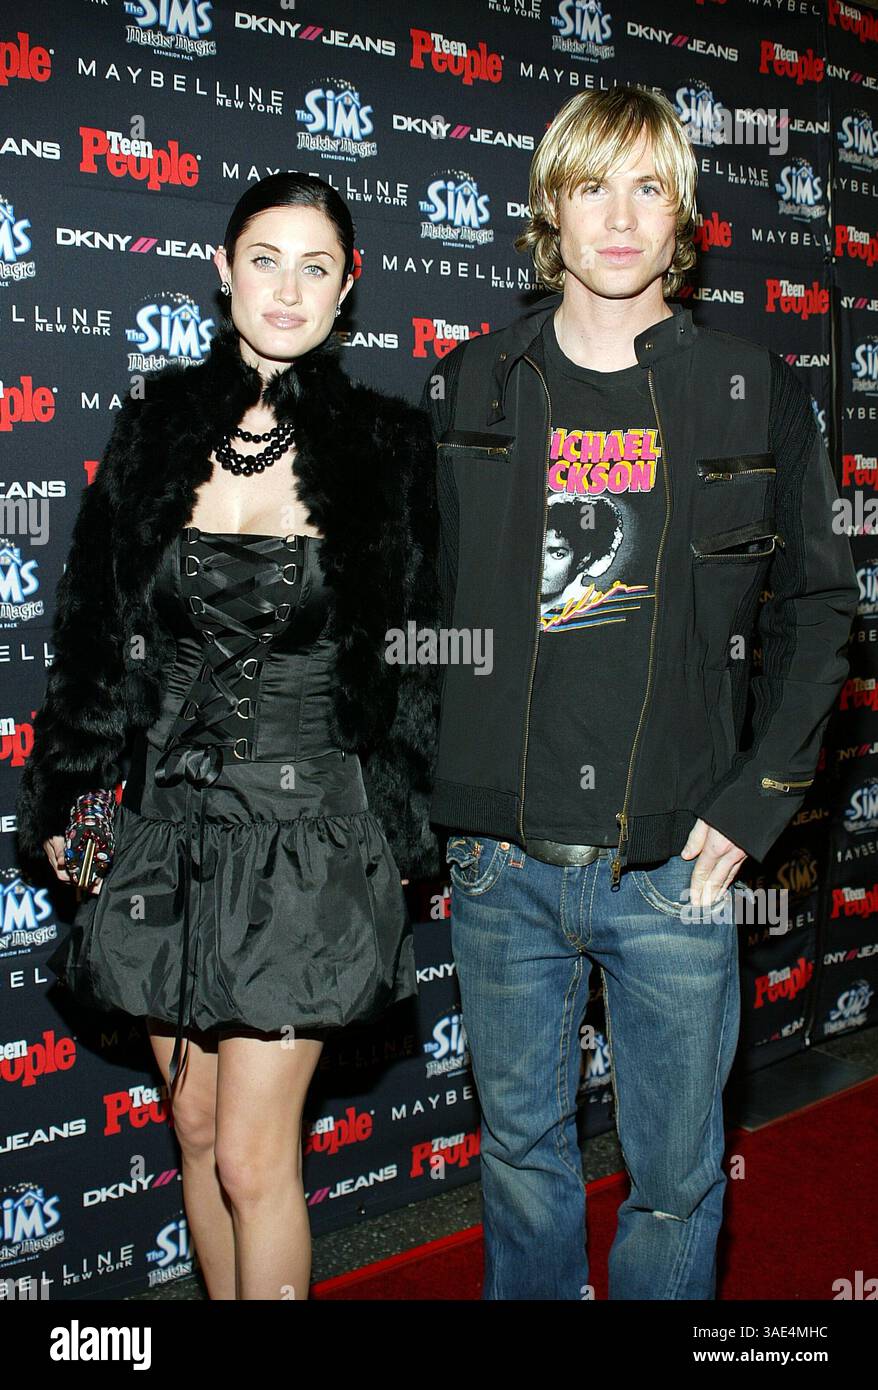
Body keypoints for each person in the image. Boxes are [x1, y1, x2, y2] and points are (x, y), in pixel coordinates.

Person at [422, 86, 859, 1300]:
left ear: (683, 218)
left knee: (674, 1176)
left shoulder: (750, 389)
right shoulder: (469, 387)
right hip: (497, 863)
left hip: (678, 863)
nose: (618, 218)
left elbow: (821, 611)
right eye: (590, 186)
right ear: (548, 210)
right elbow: (409, 608)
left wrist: (754, 802)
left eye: (649, 187)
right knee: (517, 1159)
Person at [16, 172, 440, 1301]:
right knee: (197, 1129)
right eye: (265, 258)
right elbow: (94, 631)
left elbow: (421, 655)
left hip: (306, 835)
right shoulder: (157, 431)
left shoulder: (386, 450)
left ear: (348, 288)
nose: (287, 287)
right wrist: (69, 790)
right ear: (222, 270)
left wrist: (400, 815)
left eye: (315, 265)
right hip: (166, 832)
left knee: (256, 1155)